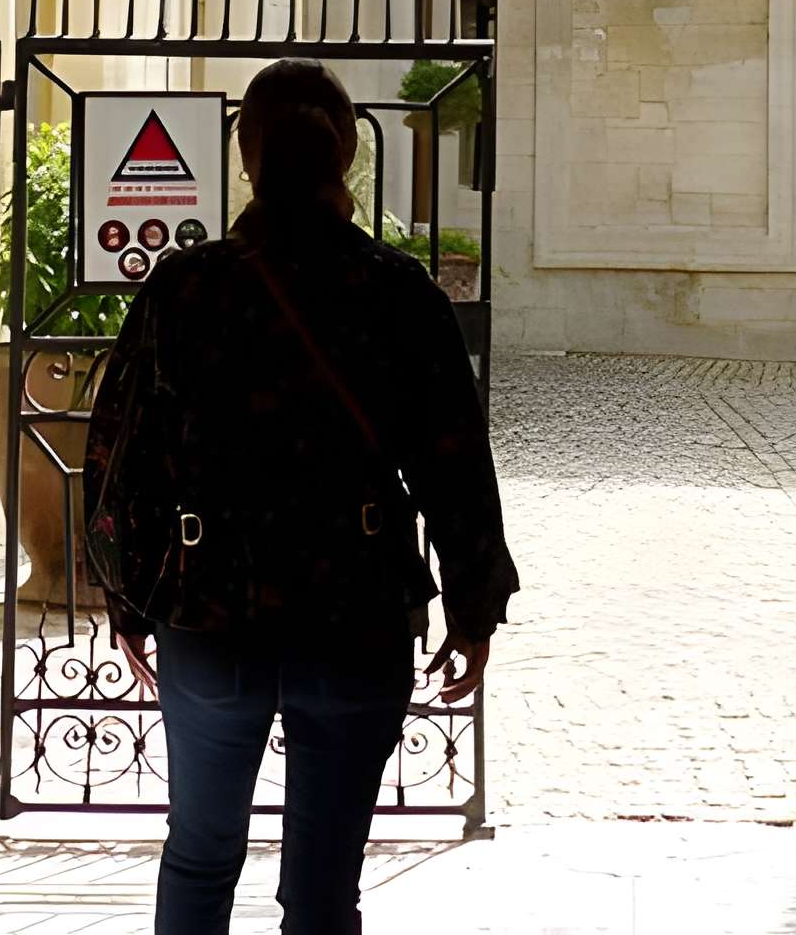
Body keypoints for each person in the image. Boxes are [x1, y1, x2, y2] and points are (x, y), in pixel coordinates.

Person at [86, 57, 518, 934]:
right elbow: (454, 463)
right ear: (346, 155)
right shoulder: (396, 290)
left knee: (200, 855)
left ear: (247, 157)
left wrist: (128, 597)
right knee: (323, 890)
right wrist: (473, 606)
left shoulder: (186, 286)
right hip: (353, 606)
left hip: (212, 606)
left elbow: (120, 456)